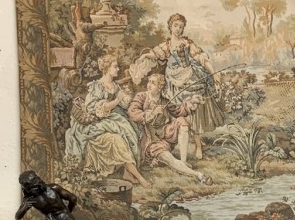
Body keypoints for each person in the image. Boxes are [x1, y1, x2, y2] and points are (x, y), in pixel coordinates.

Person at [64, 52, 148, 188]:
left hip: (111, 120)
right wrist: (117, 99)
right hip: (96, 124)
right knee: (118, 140)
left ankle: (128, 173)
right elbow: (94, 109)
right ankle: (138, 176)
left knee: (133, 133)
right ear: (107, 68)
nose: (118, 69)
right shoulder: (97, 86)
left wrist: (126, 97)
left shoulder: (115, 86)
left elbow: (123, 105)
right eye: (115, 67)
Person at [151, 14, 224, 155]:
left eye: (181, 26)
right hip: (173, 82)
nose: (178, 29)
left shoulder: (187, 43)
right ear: (170, 26)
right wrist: (143, 57)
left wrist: (214, 73)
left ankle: (198, 145)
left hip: (190, 79)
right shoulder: (166, 45)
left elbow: (201, 58)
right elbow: (154, 54)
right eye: (175, 26)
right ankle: (180, 139)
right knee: (178, 111)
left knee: (193, 111)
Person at [127, 73, 212, 184]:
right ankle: (199, 175)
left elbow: (179, 111)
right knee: (170, 159)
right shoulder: (141, 97)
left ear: (160, 87)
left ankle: (183, 161)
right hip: (151, 140)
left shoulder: (164, 101)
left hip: (166, 135)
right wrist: (151, 113)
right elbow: (132, 112)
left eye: (153, 83)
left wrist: (191, 102)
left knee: (183, 122)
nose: (149, 85)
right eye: (149, 82)